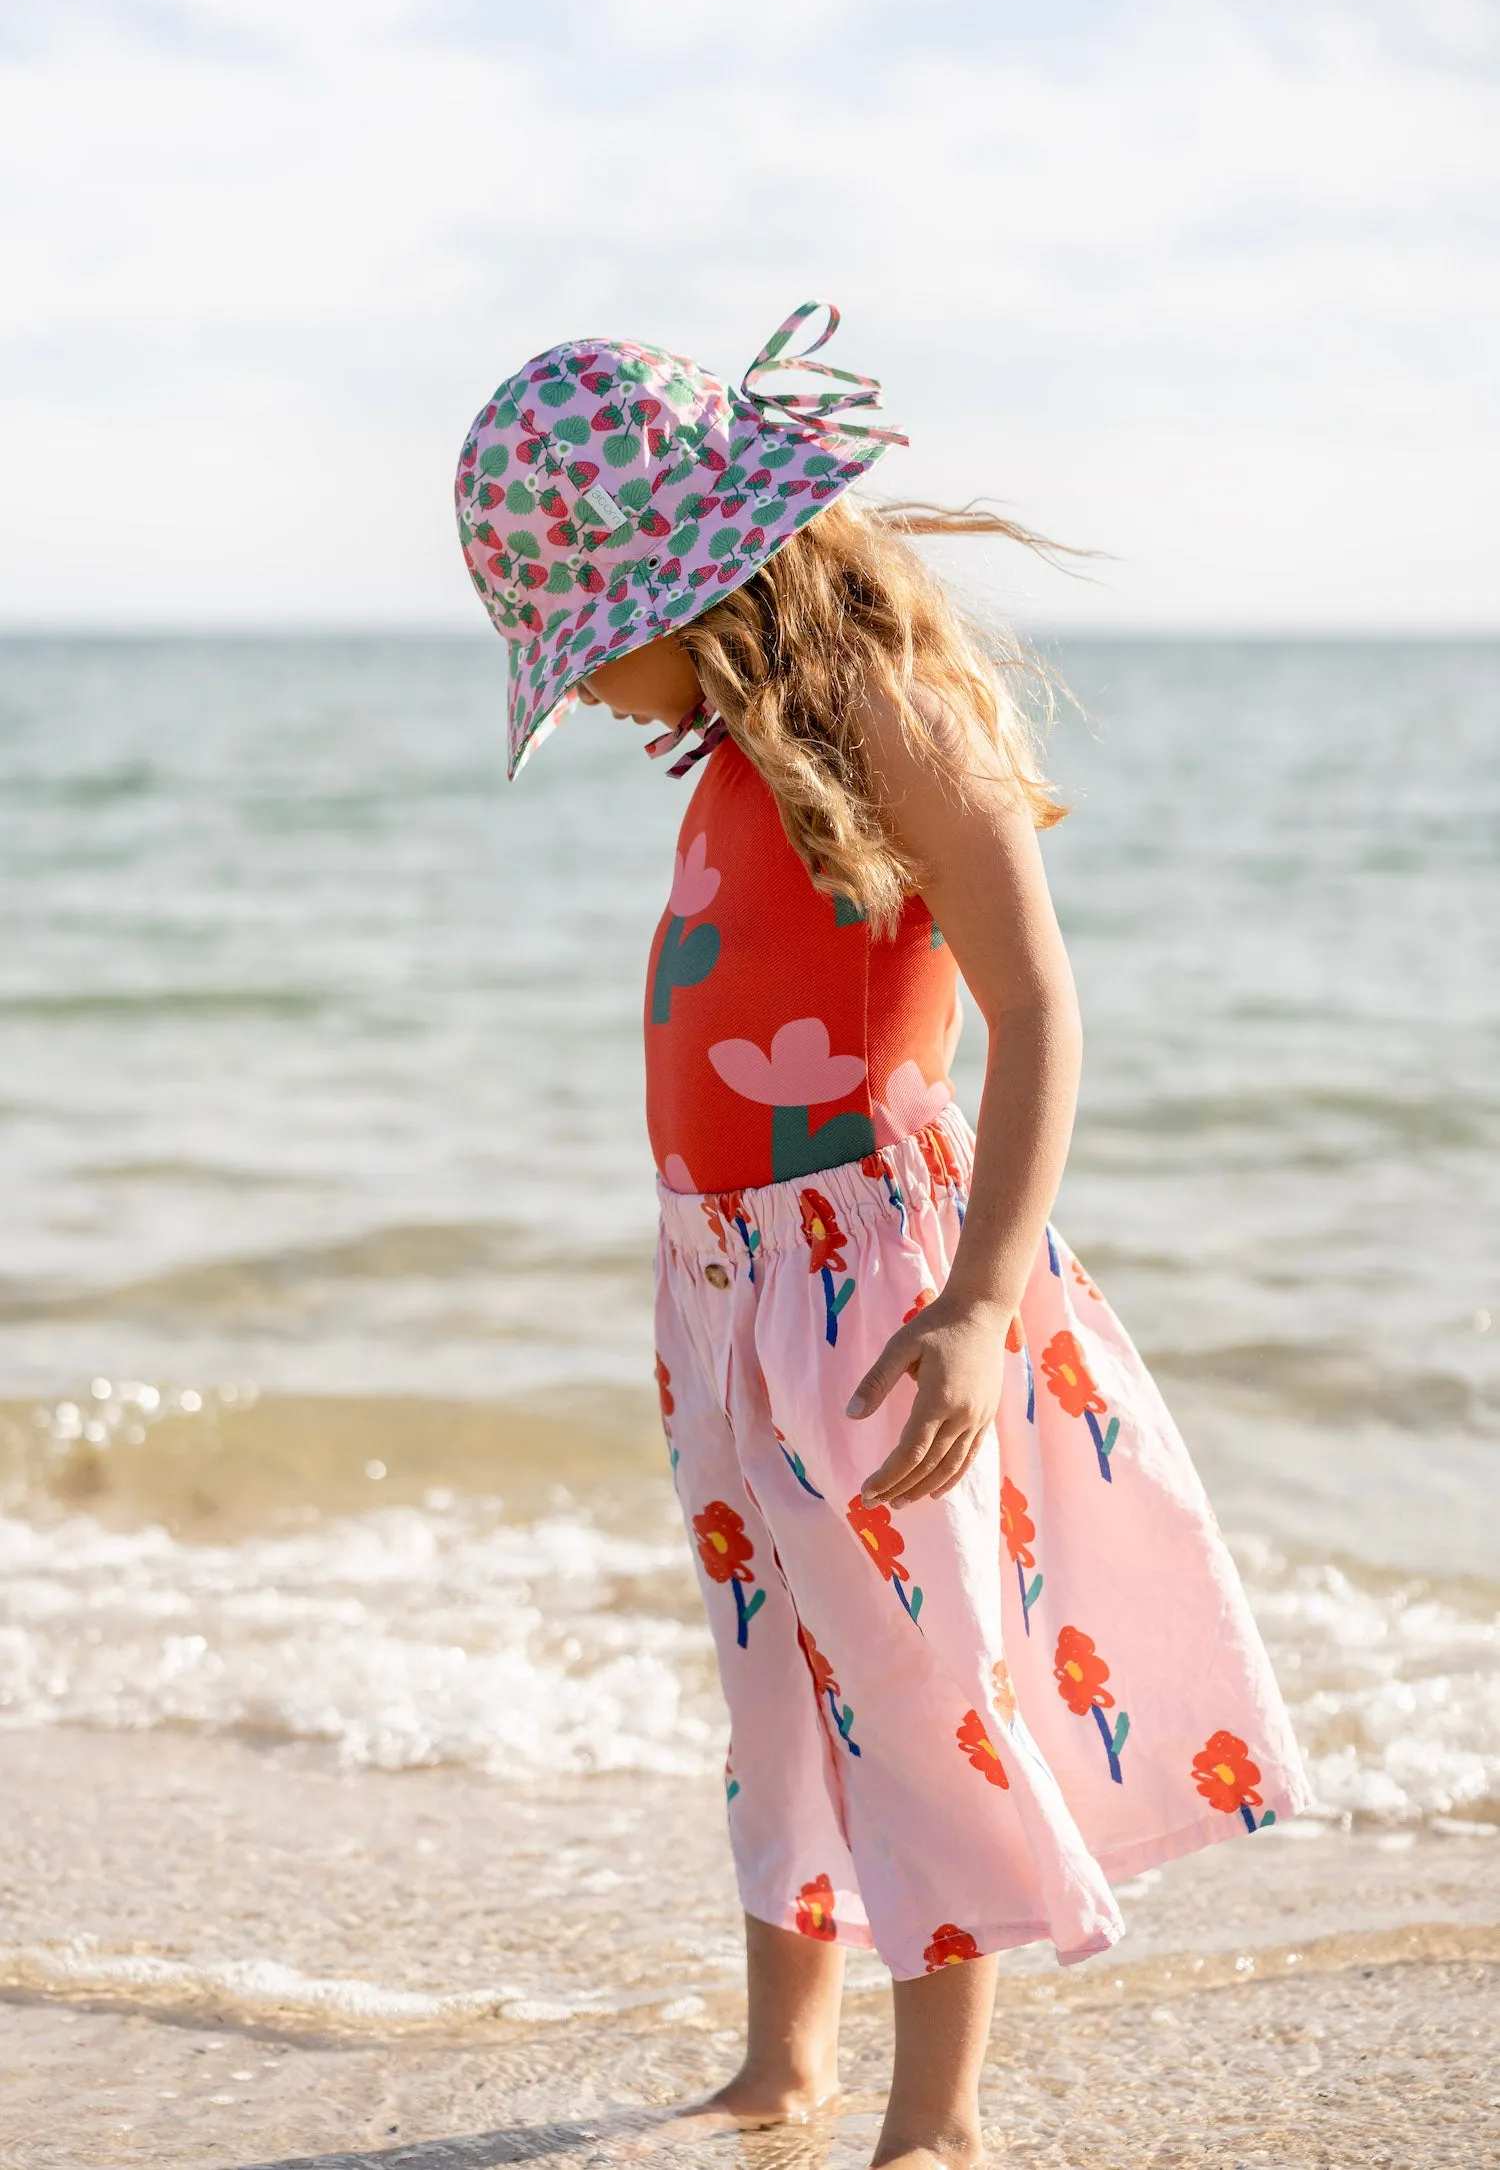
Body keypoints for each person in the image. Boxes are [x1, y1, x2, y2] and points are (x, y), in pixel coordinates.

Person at [456, 304, 1309, 2170]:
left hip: (876, 1280)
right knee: (772, 1673)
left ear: (702, 589)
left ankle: (940, 2113)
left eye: (597, 650)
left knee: (920, 1678)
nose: (590, 693)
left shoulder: (894, 715)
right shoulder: (739, 756)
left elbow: (1038, 1007)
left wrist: (982, 1300)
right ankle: (787, 2058)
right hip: (718, 1277)